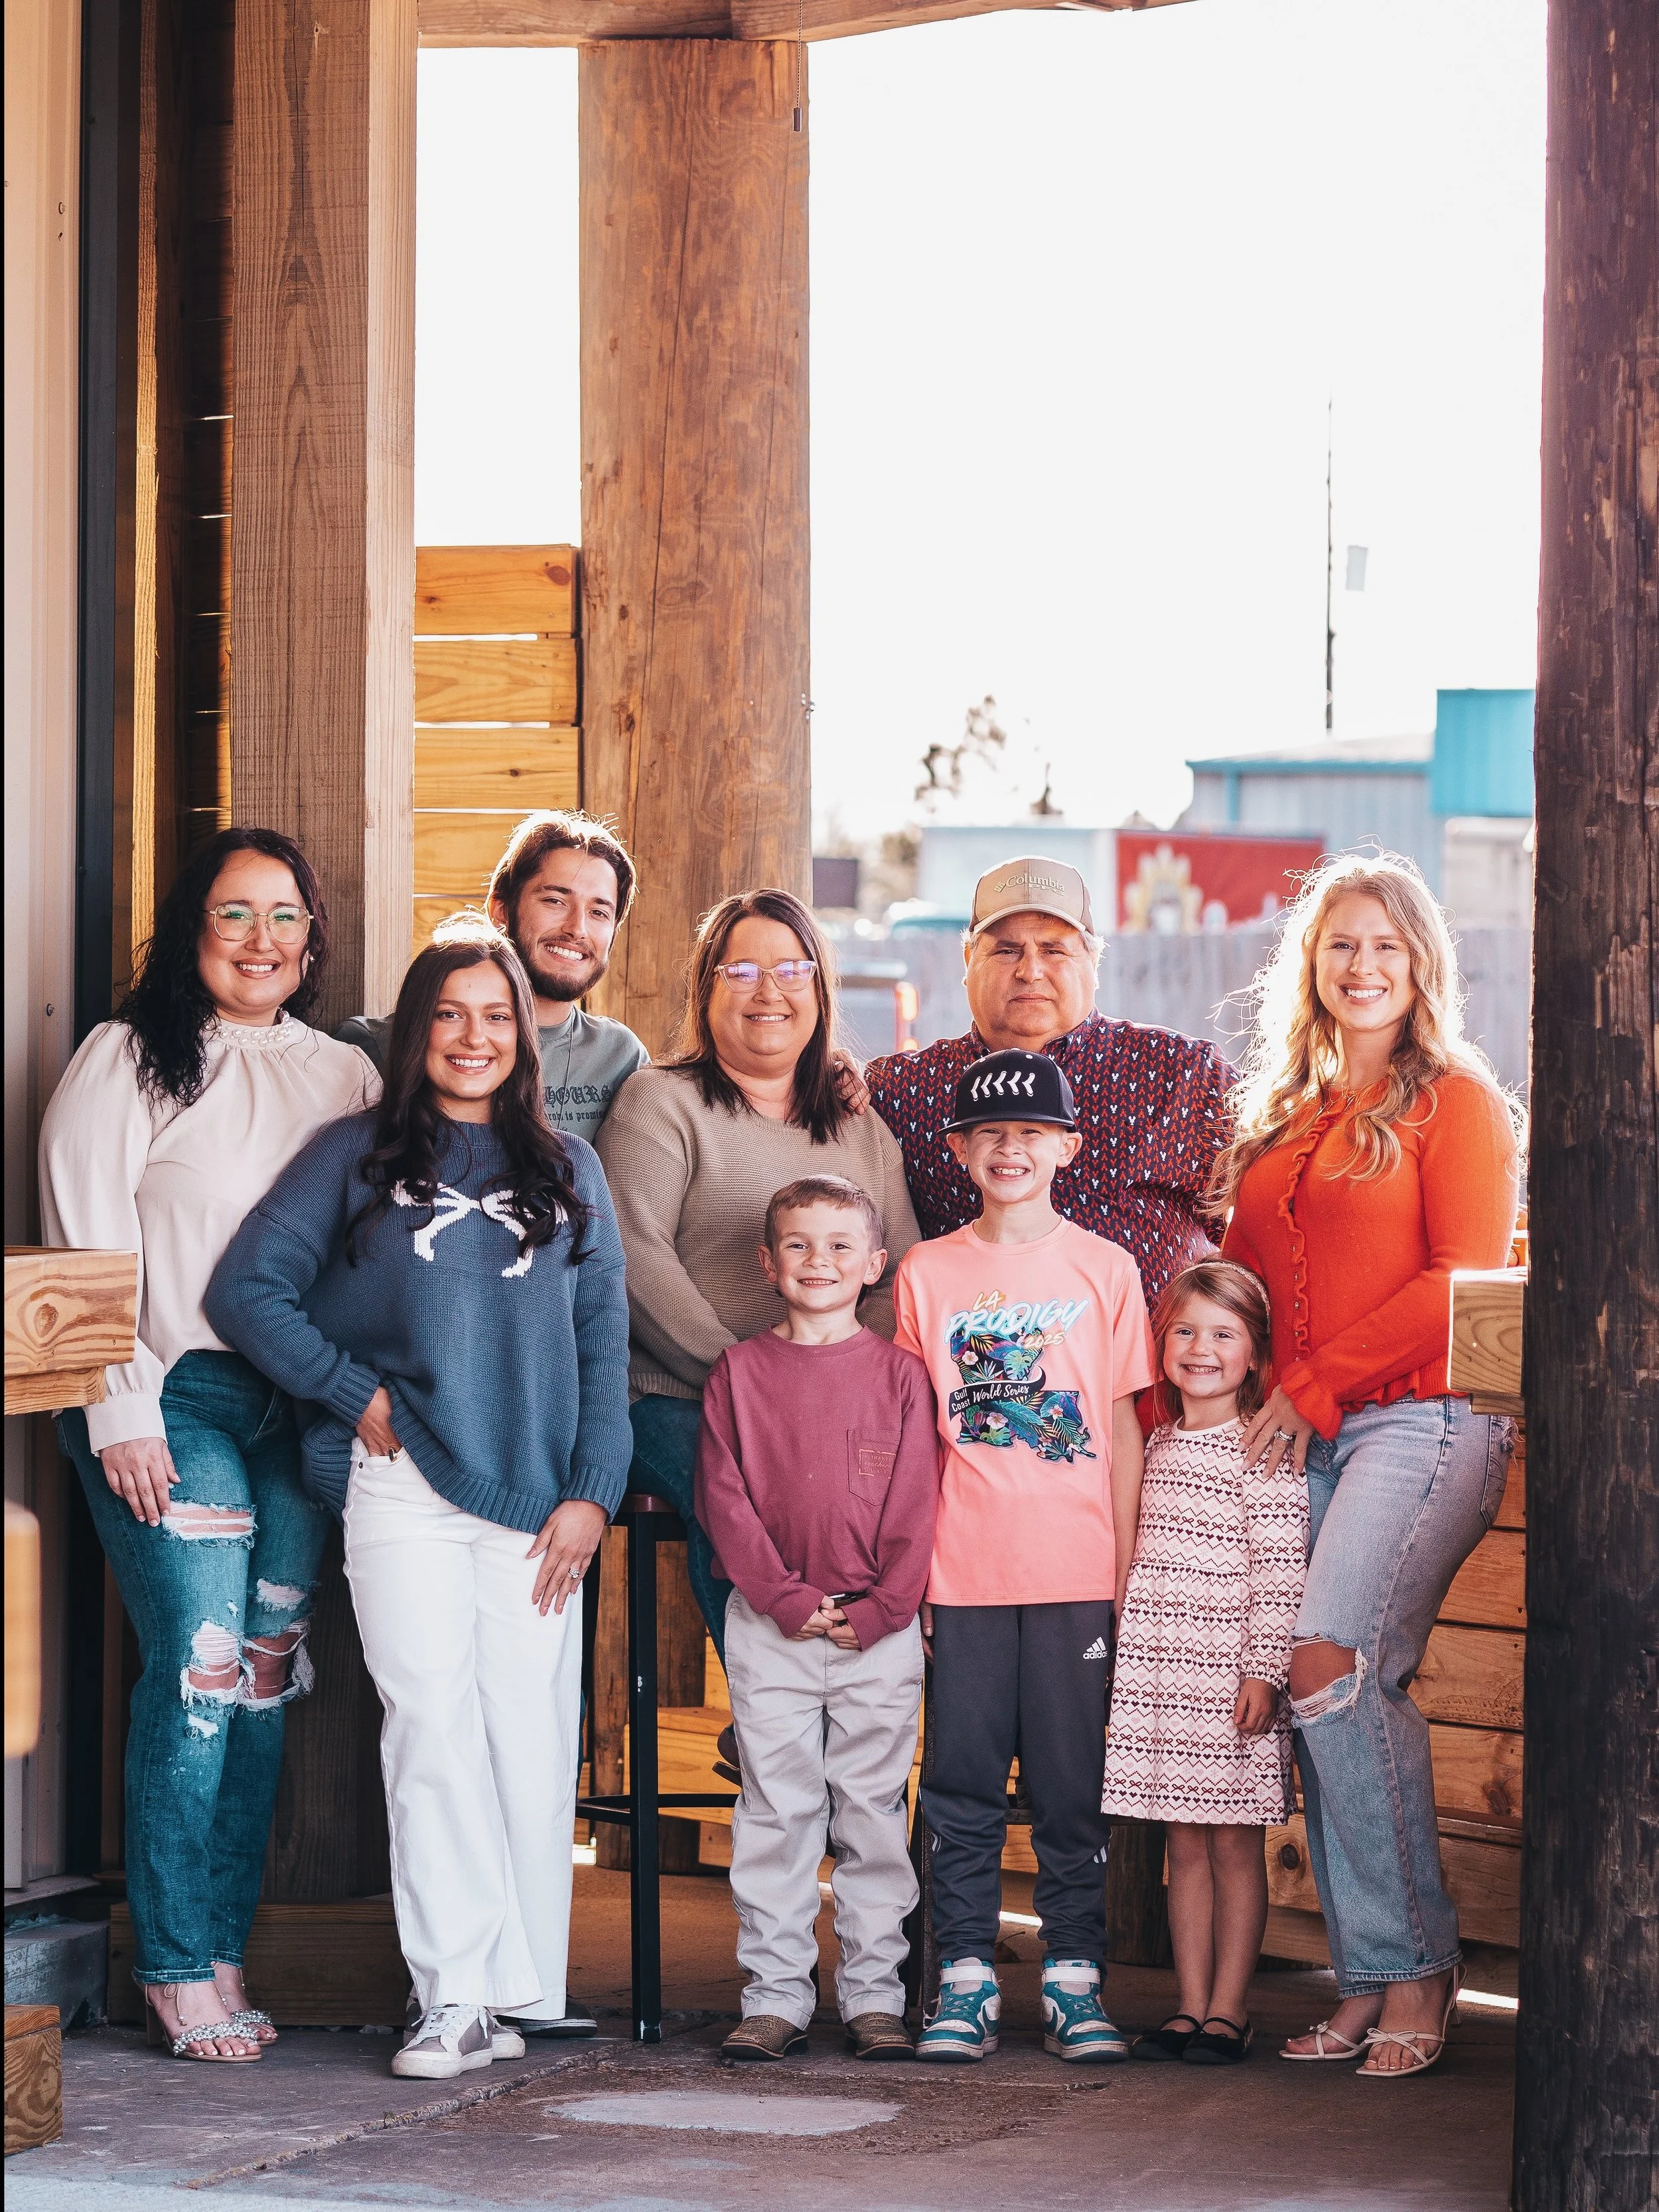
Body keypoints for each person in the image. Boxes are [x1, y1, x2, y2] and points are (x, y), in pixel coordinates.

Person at [206, 926, 633, 2081]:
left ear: (523, 1034)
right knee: (431, 1725)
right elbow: (247, 1288)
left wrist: (594, 1493)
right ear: (415, 1031)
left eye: (494, 1015)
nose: (472, 1036)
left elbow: (604, 1345)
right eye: (448, 1014)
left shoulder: (570, 1169)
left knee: (526, 1741)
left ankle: (516, 1988)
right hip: (402, 1483)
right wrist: (352, 1391)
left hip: (538, 1498)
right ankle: (452, 1996)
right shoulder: (355, 1155)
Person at [38, 828, 378, 2062]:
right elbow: (83, 1239)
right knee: (200, 1668)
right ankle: (175, 1966)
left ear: (312, 938)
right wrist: (117, 1405)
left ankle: (222, 1948)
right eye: (235, 913)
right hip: (172, 1395)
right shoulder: (127, 1056)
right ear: (194, 928)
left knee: (267, 1676)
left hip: (299, 1407)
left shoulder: (347, 1076)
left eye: (285, 916)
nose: (260, 939)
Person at [1216, 851, 1520, 2080]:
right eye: (1341, 943)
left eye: (1386, 945)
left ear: (1421, 963)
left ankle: (1419, 1969)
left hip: (1421, 1420)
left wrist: (1317, 1380)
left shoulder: (1456, 1101)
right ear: (1311, 964)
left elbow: (1461, 1277)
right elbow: (1239, 1279)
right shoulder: (1285, 1117)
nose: (1362, 965)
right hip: (1307, 1428)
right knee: (1314, 1687)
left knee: (1332, 1664)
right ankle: (1367, 1977)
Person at [892, 1049, 1155, 2066]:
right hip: (961, 1576)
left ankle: (1074, 1983)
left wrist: (1123, 1573)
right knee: (958, 1784)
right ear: (959, 1150)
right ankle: (963, 1981)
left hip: (1075, 1576)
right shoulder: (927, 1272)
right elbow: (915, 1436)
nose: (1011, 1150)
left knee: (1068, 1787)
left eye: (1032, 1133)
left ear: (1067, 1148)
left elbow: (1121, 1430)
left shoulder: (1106, 1270)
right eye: (990, 1134)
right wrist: (912, 1571)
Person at [595, 889, 920, 1665]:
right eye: (740, 970)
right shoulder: (661, 1102)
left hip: (832, 1398)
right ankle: (771, 1704)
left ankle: (856, 1696)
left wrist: (833, 1376)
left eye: (790, 969)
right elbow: (635, 1258)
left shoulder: (858, 1124)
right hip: (679, 1396)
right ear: (705, 989)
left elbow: (901, 1271)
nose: (767, 990)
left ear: (819, 989)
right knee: (755, 1488)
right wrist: (758, 1383)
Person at [696, 1177, 938, 2065]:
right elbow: (722, 1500)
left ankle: (874, 1999)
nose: (819, 1261)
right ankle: (775, 1997)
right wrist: (787, 1599)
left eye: (840, 1245)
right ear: (768, 1263)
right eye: (798, 1244)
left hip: (878, 1633)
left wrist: (883, 1609)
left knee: (872, 1813)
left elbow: (918, 1501)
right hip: (774, 1629)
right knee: (777, 1810)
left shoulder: (900, 1375)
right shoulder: (738, 1373)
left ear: (875, 1264)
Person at [1102, 1260, 1306, 2067]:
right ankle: (1189, 2006)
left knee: (1232, 1845)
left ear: (1254, 1353)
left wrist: (1264, 1672)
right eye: (1184, 1331)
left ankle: (1229, 2010)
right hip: (1163, 1680)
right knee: (1181, 1845)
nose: (1201, 1349)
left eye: (1223, 1335)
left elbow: (1280, 1573)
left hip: (1229, 1681)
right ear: (1160, 1345)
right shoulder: (1153, 1442)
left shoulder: (1262, 1448)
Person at [865, 856, 1233, 1302]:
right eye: (1006, 950)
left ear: (1093, 961)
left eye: (1054, 950)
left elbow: (1266, 1214)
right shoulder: (902, 1091)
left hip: (1151, 1347)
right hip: (971, 1346)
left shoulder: (1183, 1072)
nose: (1030, 970)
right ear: (968, 959)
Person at [337, 810, 650, 1141]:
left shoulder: (620, 1058)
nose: (577, 929)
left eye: (599, 912)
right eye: (555, 901)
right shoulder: (376, 1047)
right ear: (500, 909)